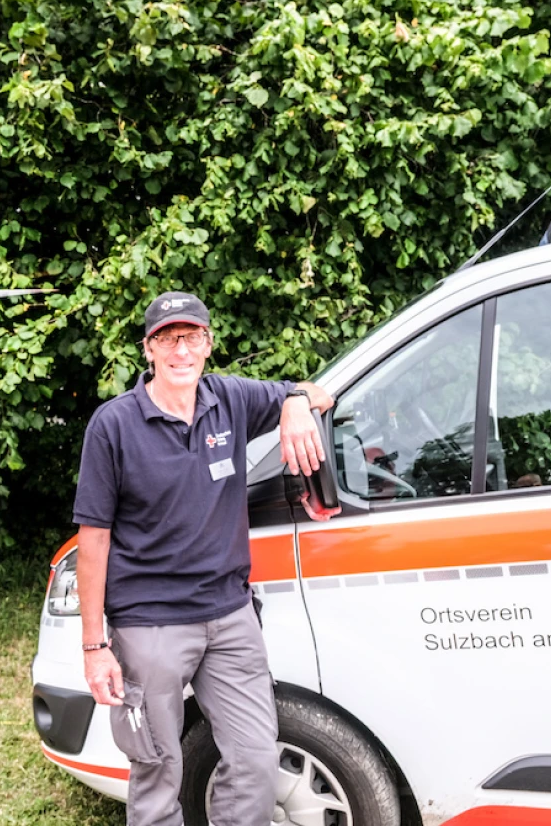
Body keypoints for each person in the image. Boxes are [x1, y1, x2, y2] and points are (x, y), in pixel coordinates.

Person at [73, 291, 334, 826]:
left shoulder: (230, 399)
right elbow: (93, 541)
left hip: (230, 615)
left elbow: (320, 391)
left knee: (256, 760)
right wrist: (96, 646)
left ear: (209, 344)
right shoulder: (113, 425)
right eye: (167, 339)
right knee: (157, 766)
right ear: (148, 349)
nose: (181, 350)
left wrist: (294, 404)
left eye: (191, 337)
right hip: (149, 624)